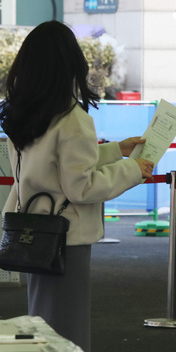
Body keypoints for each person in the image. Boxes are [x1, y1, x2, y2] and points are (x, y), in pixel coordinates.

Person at [0, 21, 154, 351]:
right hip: (65, 239)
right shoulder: (72, 118)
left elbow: (55, 168)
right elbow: (80, 187)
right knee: (67, 331)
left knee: (40, 324)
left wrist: (115, 150)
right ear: (70, 64)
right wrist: (131, 170)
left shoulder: (23, 115)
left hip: (32, 232)